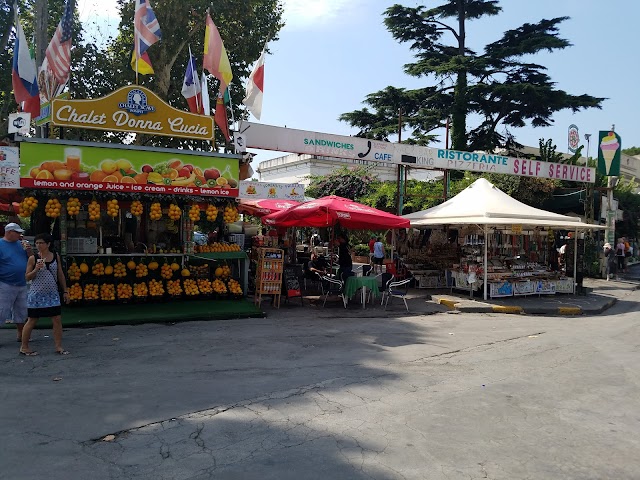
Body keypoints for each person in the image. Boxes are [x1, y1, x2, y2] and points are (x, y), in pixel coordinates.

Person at [20, 233, 70, 356]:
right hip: (36, 294)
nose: (38, 245)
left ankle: (58, 346)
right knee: (32, 320)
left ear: (48, 244)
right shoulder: (33, 258)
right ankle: (24, 347)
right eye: (37, 243)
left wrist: (65, 290)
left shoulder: (55, 256)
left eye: (41, 243)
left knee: (57, 319)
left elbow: (60, 274)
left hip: (52, 294)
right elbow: (27, 277)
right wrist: (36, 269)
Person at [0, 223, 32, 343]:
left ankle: (21, 334)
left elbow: (31, 259)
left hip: (22, 282)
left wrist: (29, 251)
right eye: (17, 232)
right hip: (5, 283)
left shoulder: (21, 244)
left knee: (22, 311)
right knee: (2, 310)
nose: (20, 235)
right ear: (9, 232)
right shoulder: (0, 245)